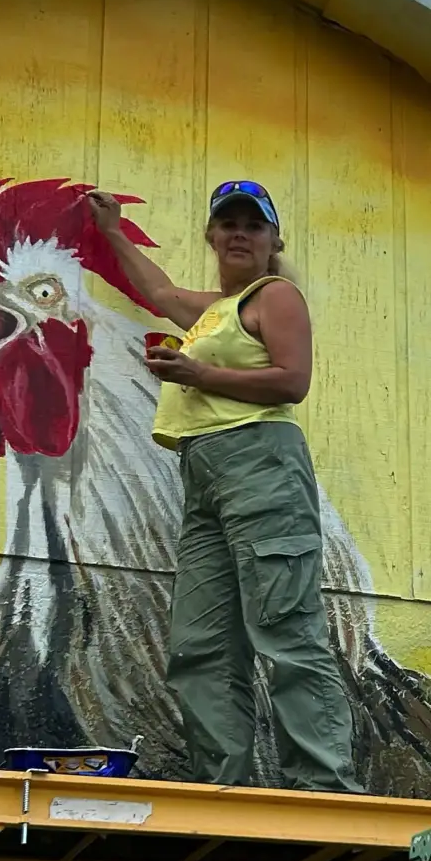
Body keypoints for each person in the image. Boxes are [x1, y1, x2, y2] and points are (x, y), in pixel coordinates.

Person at [88, 179, 358, 793]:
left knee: (284, 625)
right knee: (200, 642)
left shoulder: (276, 296)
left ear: (271, 241)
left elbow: (293, 382)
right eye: (228, 223)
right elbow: (155, 290)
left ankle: (323, 787)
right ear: (211, 235)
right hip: (204, 475)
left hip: (261, 462)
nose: (240, 233)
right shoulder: (213, 311)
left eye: (253, 225)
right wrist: (109, 231)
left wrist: (195, 372)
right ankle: (222, 787)